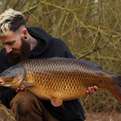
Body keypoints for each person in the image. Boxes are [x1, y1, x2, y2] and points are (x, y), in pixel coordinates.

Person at [0, 8, 99, 121]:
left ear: (24, 33)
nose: (7, 50)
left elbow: (79, 73)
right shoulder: (5, 57)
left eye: (11, 43)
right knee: (23, 101)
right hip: (33, 113)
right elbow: (3, 96)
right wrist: (15, 88)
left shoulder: (57, 47)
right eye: (4, 44)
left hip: (65, 114)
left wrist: (89, 84)